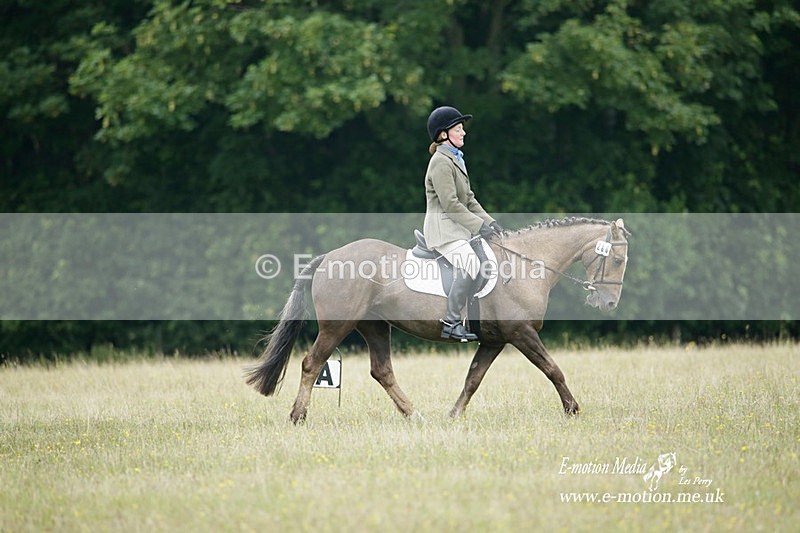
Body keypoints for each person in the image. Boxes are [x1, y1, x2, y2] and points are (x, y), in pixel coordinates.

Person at [423, 106, 503, 342]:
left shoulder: (456, 159)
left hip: (458, 230)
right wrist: (478, 226)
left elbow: (468, 199)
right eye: (458, 129)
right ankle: (451, 322)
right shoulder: (441, 162)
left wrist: (490, 222)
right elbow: (450, 204)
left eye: (462, 129)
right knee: (471, 264)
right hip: (443, 231)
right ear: (443, 134)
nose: (463, 133)